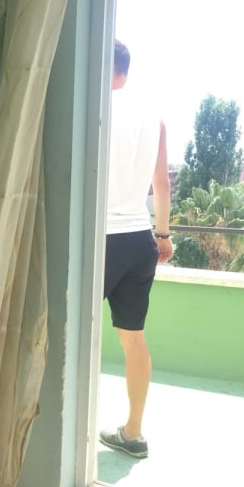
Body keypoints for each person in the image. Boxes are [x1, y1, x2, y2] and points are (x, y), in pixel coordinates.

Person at [98, 40, 172, 459]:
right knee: (133, 339)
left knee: (66, 330)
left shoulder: (95, 108)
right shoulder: (153, 119)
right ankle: (134, 432)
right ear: (125, 71)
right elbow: (161, 184)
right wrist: (163, 235)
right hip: (140, 240)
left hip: (99, 240)